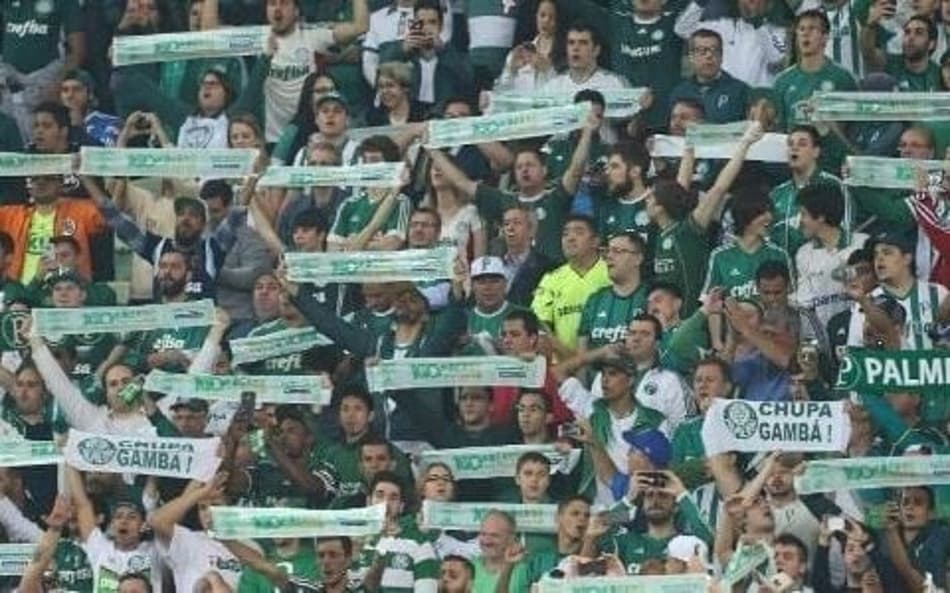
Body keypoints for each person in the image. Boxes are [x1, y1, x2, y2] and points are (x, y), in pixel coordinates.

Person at [669, 29, 750, 123]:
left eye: (714, 50)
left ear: (721, 56)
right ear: (691, 56)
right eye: (702, 51)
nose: (709, 55)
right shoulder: (679, 93)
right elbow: (674, 130)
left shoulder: (740, 91)